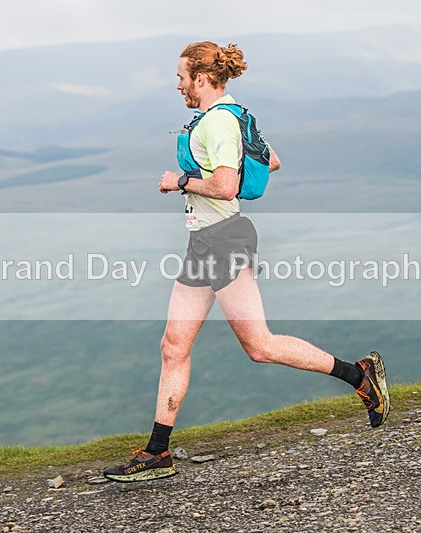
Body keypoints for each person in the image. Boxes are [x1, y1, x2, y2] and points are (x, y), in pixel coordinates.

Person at [103, 41, 390, 482]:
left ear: (201, 78)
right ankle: (157, 452)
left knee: (260, 346)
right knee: (173, 346)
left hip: (225, 241)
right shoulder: (236, 116)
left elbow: (225, 186)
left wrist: (178, 180)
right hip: (204, 241)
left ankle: (359, 374)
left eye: (181, 75)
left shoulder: (218, 123)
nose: (177, 82)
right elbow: (271, 161)